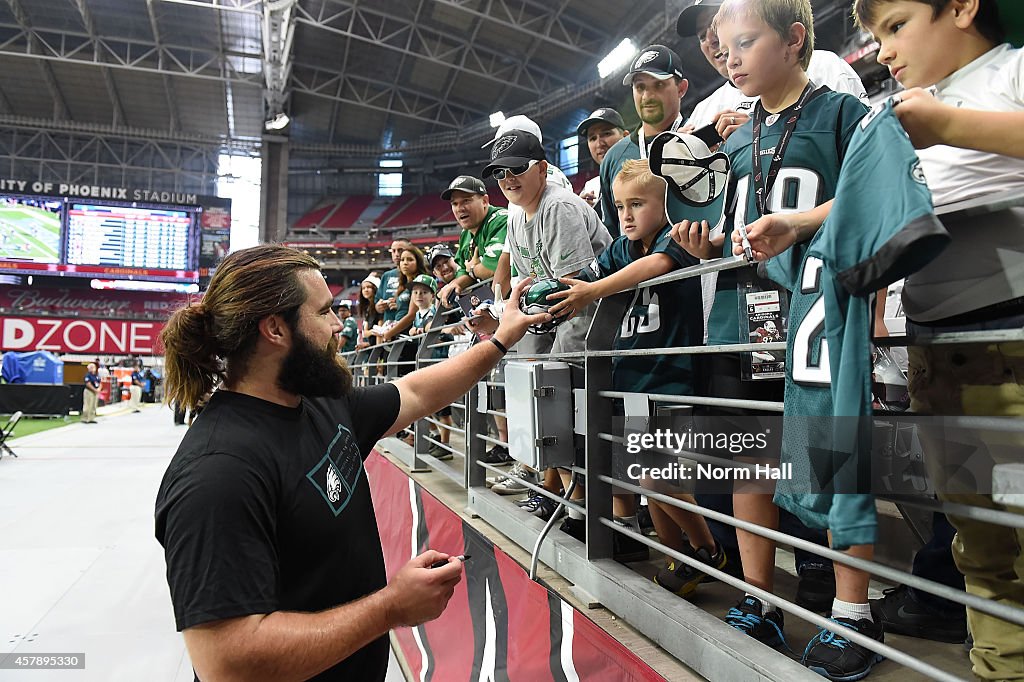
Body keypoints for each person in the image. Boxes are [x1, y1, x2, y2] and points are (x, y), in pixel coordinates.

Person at [155, 244, 547, 682]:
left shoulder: (317, 402)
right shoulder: (218, 471)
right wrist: (390, 608)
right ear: (275, 329)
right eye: (324, 313)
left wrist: (499, 341)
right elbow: (226, 663)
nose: (339, 325)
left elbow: (416, 392)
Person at [673, 0, 877, 676]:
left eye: (744, 42)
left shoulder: (842, 113)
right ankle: (760, 599)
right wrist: (698, 243)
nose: (728, 57)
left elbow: (871, 198)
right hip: (741, 314)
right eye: (723, 46)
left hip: (817, 311)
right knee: (750, 458)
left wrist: (799, 223)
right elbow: (722, 226)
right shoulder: (730, 138)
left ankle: (854, 611)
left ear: (794, 41)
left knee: (826, 452)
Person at [849, 1, 1024, 677]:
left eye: (895, 26)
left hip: (1009, 336)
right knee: (979, 544)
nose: (884, 51)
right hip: (933, 349)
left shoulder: (1010, 72)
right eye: (875, 38)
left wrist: (944, 123)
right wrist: (805, 221)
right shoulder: (909, 109)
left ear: (962, 6)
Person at [551, 158, 724, 592]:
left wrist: (593, 290)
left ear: (666, 204)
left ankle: (707, 550)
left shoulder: (677, 235)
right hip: (631, 378)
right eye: (619, 205)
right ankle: (677, 557)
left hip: (670, 376)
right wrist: (545, 294)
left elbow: (658, 266)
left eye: (637, 204)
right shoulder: (621, 248)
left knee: (656, 474)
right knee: (650, 480)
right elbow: (583, 276)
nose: (626, 215)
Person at [436, 175, 508, 307]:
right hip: (494, 305)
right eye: (454, 203)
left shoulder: (501, 220)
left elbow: (494, 269)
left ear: (485, 201)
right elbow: (463, 270)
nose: (459, 208)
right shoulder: (465, 234)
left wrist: (473, 269)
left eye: (466, 201)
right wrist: (456, 284)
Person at [407, 274, 455, 462]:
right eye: (416, 292)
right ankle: (436, 436)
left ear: (433, 295)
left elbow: (448, 332)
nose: (419, 295)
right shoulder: (418, 316)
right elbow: (415, 332)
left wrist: (435, 330)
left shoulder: (437, 314)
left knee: (442, 407)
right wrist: (415, 330)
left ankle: (445, 444)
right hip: (425, 365)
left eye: (424, 292)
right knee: (427, 406)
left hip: (438, 363)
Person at [576, 107, 630, 215]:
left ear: (625, 136)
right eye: (592, 138)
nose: (599, 143)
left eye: (606, 134)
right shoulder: (591, 187)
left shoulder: (644, 173)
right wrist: (582, 214)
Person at [374, 238, 412, 326]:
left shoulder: (416, 276)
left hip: (408, 328)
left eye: (400, 250)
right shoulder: (387, 276)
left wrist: (401, 305)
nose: (397, 254)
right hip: (388, 327)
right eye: (393, 251)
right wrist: (379, 306)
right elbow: (377, 301)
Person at [356, 275, 382, 350]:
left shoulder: (379, 308)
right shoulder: (367, 309)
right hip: (372, 348)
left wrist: (378, 353)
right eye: (363, 288)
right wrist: (372, 332)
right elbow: (365, 333)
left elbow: (379, 333)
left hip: (378, 350)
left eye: (369, 287)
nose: (366, 290)